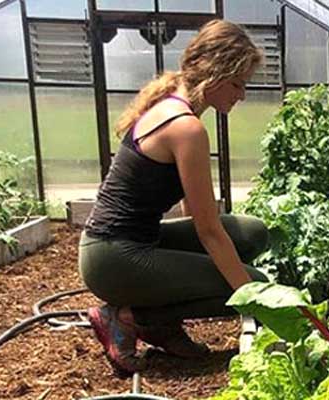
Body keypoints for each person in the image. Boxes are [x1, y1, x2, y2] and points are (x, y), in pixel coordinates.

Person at [79, 20, 269, 373]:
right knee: (254, 283)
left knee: (252, 232)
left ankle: (156, 315)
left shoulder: (173, 106)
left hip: (122, 245)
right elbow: (209, 231)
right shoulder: (186, 127)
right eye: (238, 83)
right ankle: (131, 317)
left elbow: (197, 214)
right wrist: (258, 303)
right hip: (113, 260)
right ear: (216, 73)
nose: (241, 94)